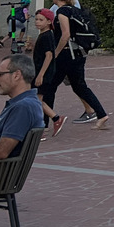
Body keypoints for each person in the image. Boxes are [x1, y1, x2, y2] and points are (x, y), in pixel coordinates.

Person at [49, 0, 110, 129]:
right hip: (78, 54)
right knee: (79, 86)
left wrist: (55, 53)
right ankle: (102, 115)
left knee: (50, 87)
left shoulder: (62, 12)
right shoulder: (75, 11)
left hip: (66, 55)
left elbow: (65, 35)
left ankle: (45, 123)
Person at [29, 7, 69, 137]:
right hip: (41, 71)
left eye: (41, 20)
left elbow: (49, 56)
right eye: (36, 19)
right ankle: (54, 120)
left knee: (36, 100)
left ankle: (48, 123)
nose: (37, 22)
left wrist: (40, 74)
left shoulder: (46, 36)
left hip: (43, 73)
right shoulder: (44, 35)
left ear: (48, 22)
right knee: (37, 100)